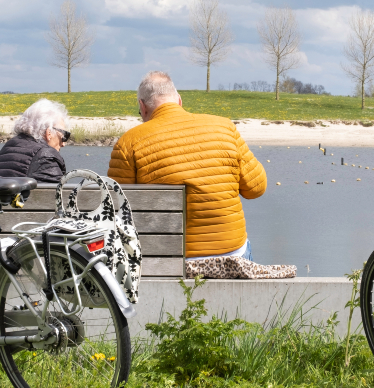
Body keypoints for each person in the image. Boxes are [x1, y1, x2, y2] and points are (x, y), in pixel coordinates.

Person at [108, 71, 267, 261]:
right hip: (232, 255)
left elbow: (116, 210)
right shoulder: (225, 128)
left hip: (169, 260)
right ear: (179, 101)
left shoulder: (129, 143)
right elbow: (256, 189)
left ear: (142, 107)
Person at [0, 98, 71, 266]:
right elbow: (59, 211)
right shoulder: (46, 156)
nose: (64, 143)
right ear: (49, 132)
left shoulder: (8, 148)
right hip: (17, 255)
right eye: (64, 135)